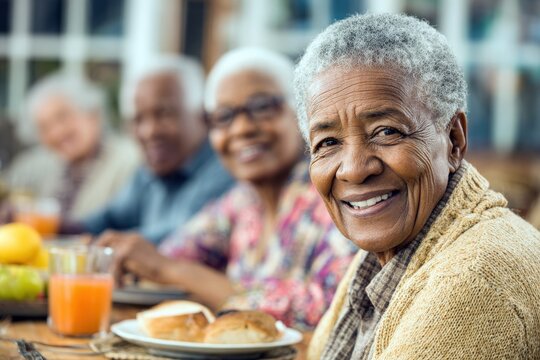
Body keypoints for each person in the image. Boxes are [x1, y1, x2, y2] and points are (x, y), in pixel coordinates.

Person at [293, 13, 540, 359]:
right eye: (328, 142)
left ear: (453, 140)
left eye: (387, 132)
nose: (353, 169)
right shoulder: (389, 250)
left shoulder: (475, 279)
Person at [98, 48, 357, 330]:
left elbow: (331, 310)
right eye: (224, 116)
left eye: (261, 107)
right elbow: (173, 253)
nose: (242, 128)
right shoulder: (241, 201)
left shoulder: (335, 195)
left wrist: (171, 271)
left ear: (303, 114)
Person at [78, 55, 235, 244]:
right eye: (138, 119)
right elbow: (105, 220)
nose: (149, 131)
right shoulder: (150, 170)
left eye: (164, 114)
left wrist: (105, 245)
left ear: (203, 115)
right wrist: (49, 226)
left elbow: (182, 239)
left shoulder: (224, 169)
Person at [4, 73, 139, 220]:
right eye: (44, 128)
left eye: (63, 117)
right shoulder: (42, 165)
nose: (56, 133)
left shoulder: (129, 160)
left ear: (93, 114)